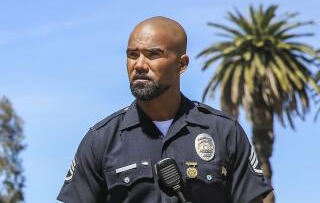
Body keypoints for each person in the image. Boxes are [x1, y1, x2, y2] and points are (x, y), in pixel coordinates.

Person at [57, 16, 273, 203]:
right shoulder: (101, 140)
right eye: (133, 54)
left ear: (182, 64)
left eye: (152, 54)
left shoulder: (224, 133)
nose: (139, 64)